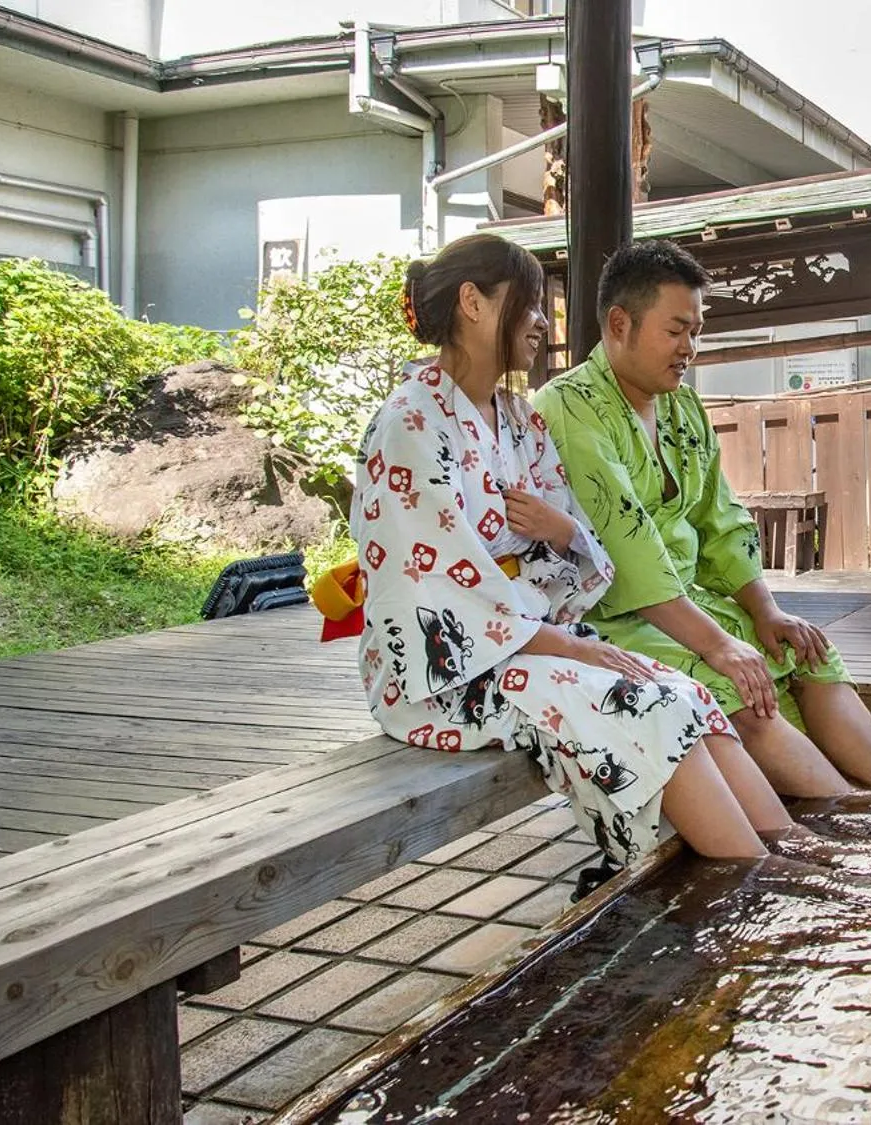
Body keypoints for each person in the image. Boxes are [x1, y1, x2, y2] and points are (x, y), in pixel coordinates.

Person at [340, 232, 807, 865]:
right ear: (473, 303)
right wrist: (575, 645)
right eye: (529, 304)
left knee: (683, 693)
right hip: (446, 669)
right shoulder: (409, 424)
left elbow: (570, 543)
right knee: (636, 698)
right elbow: (435, 595)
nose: (540, 323)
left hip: (524, 641)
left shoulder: (517, 417)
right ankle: (758, 873)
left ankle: (790, 850)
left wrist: (563, 534)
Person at [533, 241, 871, 799]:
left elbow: (721, 519)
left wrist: (765, 611)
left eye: (697, 330)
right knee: (727, 681)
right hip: (615, 616)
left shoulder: (681, 406)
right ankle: (856, 814)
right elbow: (626, 550)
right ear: (620, 323)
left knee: (804, 650)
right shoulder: (569, 409)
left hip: (694, 603)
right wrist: (718, 645)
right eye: (676, 330)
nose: (690, 347)